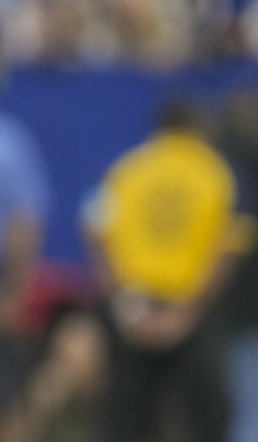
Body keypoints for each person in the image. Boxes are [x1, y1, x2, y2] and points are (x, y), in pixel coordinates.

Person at [83, 99, 239, 442]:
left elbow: (93, 227)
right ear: (198, 127)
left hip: (133, 305)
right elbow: (228, 248)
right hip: (189, 307)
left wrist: (123, 303)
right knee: (208, 413)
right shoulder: (214, 170)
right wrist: (186, 313)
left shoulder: (130, 167)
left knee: (126, 414)